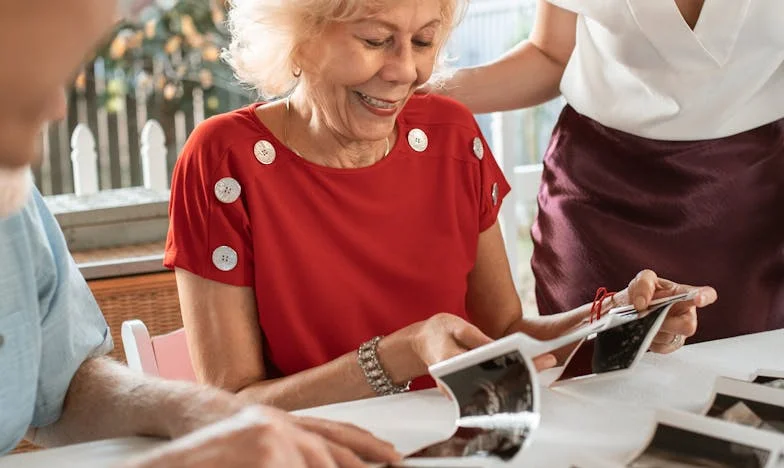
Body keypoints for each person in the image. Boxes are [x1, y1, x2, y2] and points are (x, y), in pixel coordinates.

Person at [164, 0, 717, 412]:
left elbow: (503, 332)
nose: (405, 71)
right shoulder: (224, 162)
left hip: (460, 440)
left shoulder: (451, 135)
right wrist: (393, 358)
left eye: (424, 42)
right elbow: (230, 408)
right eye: (377, 40)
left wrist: (619, 318)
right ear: (299, 40)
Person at [0, 0, 400, 466]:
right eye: (17, 86)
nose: (55, 106)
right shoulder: (222, 157)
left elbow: (63, 386)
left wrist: (206, 411)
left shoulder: (15, 202)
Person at [433, 0, 784, 342]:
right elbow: (552, 55)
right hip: (597, 201)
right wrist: (417, 89)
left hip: (756, 202)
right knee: (590, 381)